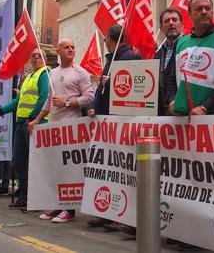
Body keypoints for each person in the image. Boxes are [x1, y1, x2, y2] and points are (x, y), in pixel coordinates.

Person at [28, 39, 94, 223]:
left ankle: (69, 210)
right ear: (58, 51)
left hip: (71, 127)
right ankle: (57, 205)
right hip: (54, 128)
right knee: (55, 168)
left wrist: (67, 102)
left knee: (69, 169)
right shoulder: (53, 73)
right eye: (66, 47)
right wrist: (37, 119)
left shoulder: (80, 72)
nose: (71, 49)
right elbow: (50, 100)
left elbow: (89, 97)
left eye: (73, 47)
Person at [87, 25, 141, 231]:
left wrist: (114, 83)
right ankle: (106, 212)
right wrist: (93, 107)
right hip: (107, 124)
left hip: (123, 124)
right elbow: (101, 89)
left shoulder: (132, 58)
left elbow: (136, 92)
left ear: (109, 38)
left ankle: (124, 215)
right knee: (108, 171)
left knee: (125, 171)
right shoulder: (111, 60)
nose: (103, 42)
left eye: (104, 39)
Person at [0, 49, 50, 209]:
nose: (35, 58)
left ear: (45, 59)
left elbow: (44, 97)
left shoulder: (45, 74)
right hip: (23, 124)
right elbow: (17, 101)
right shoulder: (28, 77)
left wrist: (34, 118)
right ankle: (25, 195)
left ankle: (35, 198)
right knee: (19, 161)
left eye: (39, 56)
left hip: (35, 124)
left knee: (34, 163)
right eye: (32, 55)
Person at [155, 8, 183, 115]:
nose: (171, 23)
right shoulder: (158, 54)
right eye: (166, 21)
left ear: (181, 24)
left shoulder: (189, 48)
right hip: (163, 113)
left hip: (182, 111)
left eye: (174, 20)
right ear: (162, 28)